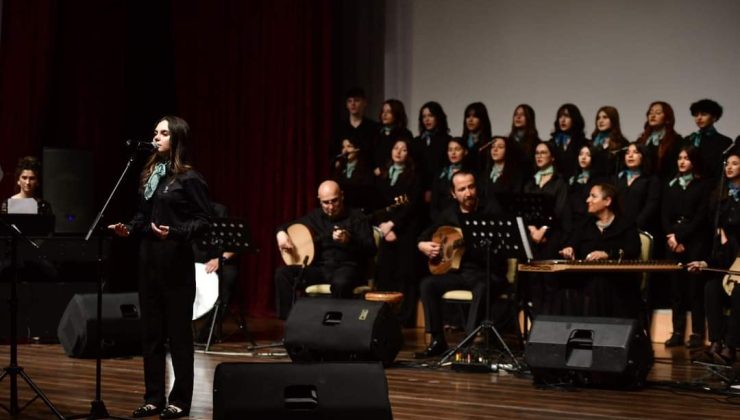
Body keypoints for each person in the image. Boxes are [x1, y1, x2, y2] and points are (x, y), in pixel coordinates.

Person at [108, 116, 212, 419]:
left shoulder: (190, 179)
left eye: (163, 133)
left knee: (178, 335)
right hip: (148, 261)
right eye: (155, 132)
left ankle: (179, 400)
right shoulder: (151, 173)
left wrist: (175, 232)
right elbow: (144, 216)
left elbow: (204, 221)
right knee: (150, 333)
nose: (156, 137)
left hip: (175, 262)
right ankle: (153, 397)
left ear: (177, 138)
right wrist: (129, 228)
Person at [415, 170, 506, 357]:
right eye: (462, 189)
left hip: (487, 273)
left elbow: (503, 246)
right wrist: (422, 244)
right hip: (458, 273)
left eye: (471, 187)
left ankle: (467, 342)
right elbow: (427, 233)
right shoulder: (449, 213)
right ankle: (438, 340)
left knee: (482, 287)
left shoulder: (491, 210)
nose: (468, 193)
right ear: (453, 193)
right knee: (428, 284)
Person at [274, 180, 376, 319]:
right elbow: (286, 226)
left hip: (348, 267)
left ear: (342, 196)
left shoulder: (357, 216)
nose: (330, 206)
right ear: (319, 201)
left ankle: (335, 325)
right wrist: (280, 233)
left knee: (340, 282)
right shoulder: (315, 217)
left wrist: (349, 241)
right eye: (325, 202)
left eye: (334, 201)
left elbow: (371, 249)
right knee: (283, 274)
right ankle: (290, 321)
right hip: (321, 269)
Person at [687, 149, 740, 365]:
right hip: (730, 263)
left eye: (735, 163)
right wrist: (706, 262)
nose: (729, 167)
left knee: (739, 292)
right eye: (727, 163)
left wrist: (730, 241)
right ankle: (716, 342)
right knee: (711, 287)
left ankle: (731, 345)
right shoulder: (720, 199)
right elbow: (720, 249)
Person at [559, 183, 642, 318]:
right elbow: (570, 243)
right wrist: (568, 249)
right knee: (563, 286)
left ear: (607, 201)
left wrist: (608, 254)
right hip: (586, 277)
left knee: (598, 284)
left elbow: (633, 249)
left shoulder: (625, 224)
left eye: (593, 196)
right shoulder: (584, 224)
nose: (587, 200)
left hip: (617, 280)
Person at [661, 146, 711, 349]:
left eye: (687, 158)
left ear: (694, 161)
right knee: (676, 289)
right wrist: (671, 237)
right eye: (680, 158)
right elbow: (663, 214)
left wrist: (681, 236)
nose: (682, 162)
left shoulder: (703, 185)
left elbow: (701, 216)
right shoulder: (671, 184)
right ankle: (678, 331)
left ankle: (697, 333)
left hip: (695, 241)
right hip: (672, 241)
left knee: (694, 289)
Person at [374, 139, 423, 326]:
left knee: (405, 273)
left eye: (404, 149)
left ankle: (405, 318)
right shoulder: (383, 175)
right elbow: (377, 203)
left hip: (406, 230)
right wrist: (384, 226)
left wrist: (393, 224)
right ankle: (385, 315)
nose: (399, 152)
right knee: (386, 272)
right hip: (385, 230)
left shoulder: (414, 176)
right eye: (396, 147)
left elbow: (412, 206)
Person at [192, 202, 241, 343]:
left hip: (219, 261)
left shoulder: (219, 210)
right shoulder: (185, 211)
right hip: (195, 261)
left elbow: (235, 243)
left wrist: (219, 260)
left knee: (228, 277)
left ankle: (207, 332)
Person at [685, 99, 734, 186]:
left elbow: (721, 171)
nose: (699, 118)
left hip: (711, 187)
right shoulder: (689, 139)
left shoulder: (724, 141)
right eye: (696, 115)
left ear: (714, 117)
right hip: (688, 187)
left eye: (704, 114)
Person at [412, 101, 451, 205]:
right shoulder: (416, 141)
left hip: (439, 191)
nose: (427, 119)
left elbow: (443, 167)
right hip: (417, 191)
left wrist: (431, 189)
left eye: (430, 116)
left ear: (438, 117)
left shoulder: (447, 140)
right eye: (424, 116)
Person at [635, 101, 683, 182]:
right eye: (650, 113)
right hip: (643, 184)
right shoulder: (641, 140)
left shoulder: (676, 140)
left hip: (664, 184)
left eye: (658, 113)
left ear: (667, 118)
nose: (653, 116)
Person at [331, 87, 380, 160]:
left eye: (357, 100)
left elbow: (376, 152)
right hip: (345, 168)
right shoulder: (339, 127)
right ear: (346, 105)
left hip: (367, 169)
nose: (353, 104)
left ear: (365, 103)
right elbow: (333, 152)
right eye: (349, 101)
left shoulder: (373, 127)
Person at [331, 136, 377, 212]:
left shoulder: (365, 167)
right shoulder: (340, 167)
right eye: (343, 147)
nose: (345, 150)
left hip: (359, 208)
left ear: (357, 149)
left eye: (349, 146)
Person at [429, 137, 469, 221]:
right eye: (450, 150)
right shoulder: (440, 173)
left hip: (461, 219)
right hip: (440, 219)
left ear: (465, 152)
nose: (453, 153)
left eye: (457, 149)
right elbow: (434, 203)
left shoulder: (470, 174)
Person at [372, 99, 414, 175]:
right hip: (375, 175)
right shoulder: (376, 132)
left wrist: (383, 169)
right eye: (383, 111)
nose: (384, 114)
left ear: (396, 114)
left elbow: (407, 158)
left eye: (388, 112)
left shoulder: (404, 134)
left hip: (395, 174)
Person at [550, 103, 587, 181]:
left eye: (567, 116)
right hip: (555, 185)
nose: (563, 120)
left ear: (574, 119)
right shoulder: (552, 143)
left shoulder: (583, 142)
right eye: (560, 116)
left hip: (575, 184)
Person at [590, 106, 629, 176]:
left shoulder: (621, 143)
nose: (600, 121)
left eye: (605, 117)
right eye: (598, 118)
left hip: (610, 182)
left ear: (613, 120)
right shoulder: (592, 142)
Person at [508, 104, 540, 177]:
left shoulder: (536, 143)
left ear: (529, 118)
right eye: (516, 114)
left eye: (522, 115)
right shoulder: (507, 141)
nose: (518, 117)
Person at [460, 102, 492, 171]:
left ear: (482, 119)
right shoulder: (461, 142)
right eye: (468, 116)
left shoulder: (488, 144)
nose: (470, 120)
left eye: (475, 116)